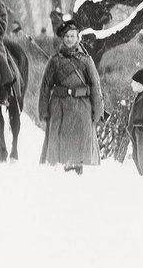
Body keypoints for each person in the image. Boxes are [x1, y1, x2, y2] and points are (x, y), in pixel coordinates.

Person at [38, 20, 103, 175]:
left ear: (78, 38)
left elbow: (95, 86)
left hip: (82, 108)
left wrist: (97, 111)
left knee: (80, 148)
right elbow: (45, 86)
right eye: (66, 36)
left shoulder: (86, 61)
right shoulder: (54, 60)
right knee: (61, 150)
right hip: (59, 107)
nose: (69, 39)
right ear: (63, 38)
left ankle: (78, 175)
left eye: (72, 36)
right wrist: (43, 110)